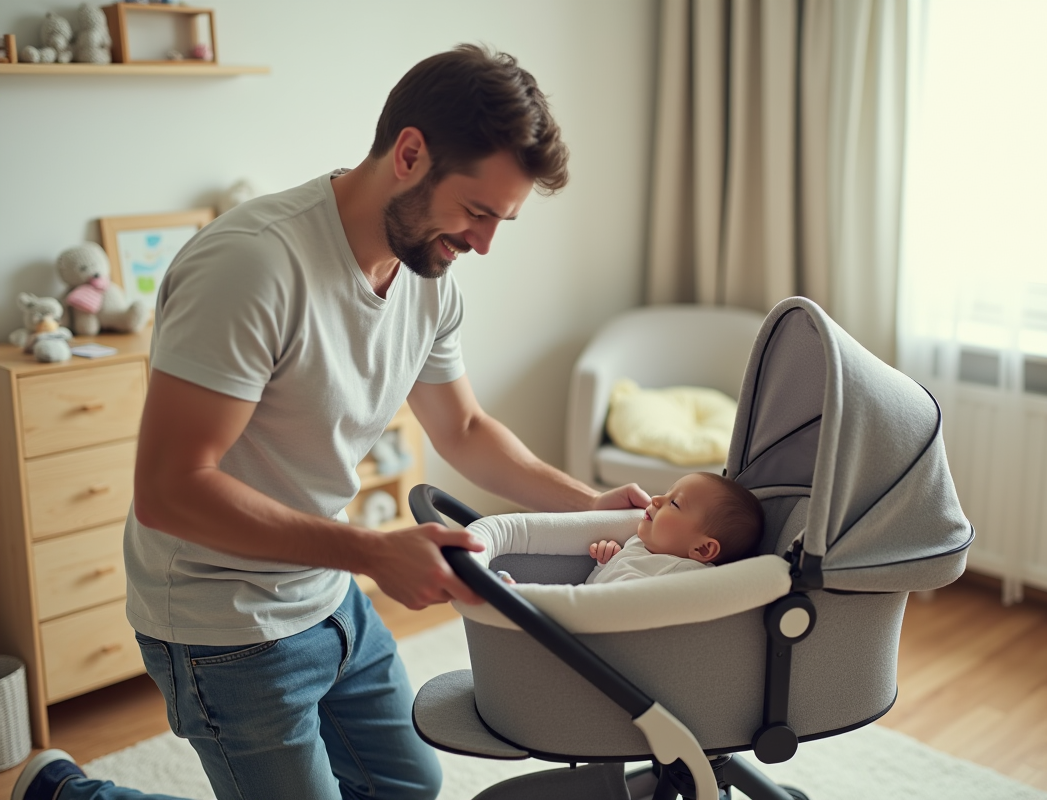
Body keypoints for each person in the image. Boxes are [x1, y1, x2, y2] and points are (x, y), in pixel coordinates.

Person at [12, 44, 649, 800]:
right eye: (478, 212)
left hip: (329, 587)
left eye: (500, 220)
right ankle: (62, 792)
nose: (483, 242)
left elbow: (466, 429)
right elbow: (170, 489)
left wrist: (586, 505)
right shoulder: (251, 267)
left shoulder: (426, 276)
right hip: (225, 619)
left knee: (407, 789)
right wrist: (373, 552)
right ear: (410, 153)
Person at [585, 472, 763, 584]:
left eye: (674, 503)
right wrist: (606, 564)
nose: (655, 499)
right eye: (666, 493)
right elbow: (601, 584)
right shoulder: (643, 543)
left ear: (702, 548)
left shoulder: (687, 575)